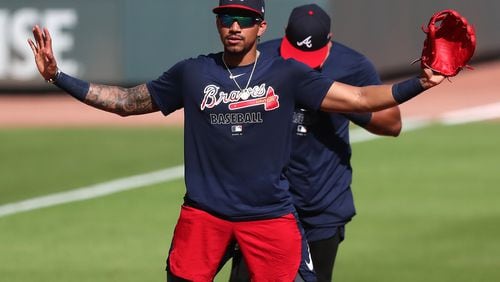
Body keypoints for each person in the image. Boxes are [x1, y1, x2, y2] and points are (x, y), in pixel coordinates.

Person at [28, 0, 445, 280]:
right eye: (226, 18)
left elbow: (358, 97)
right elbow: (123, 101)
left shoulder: (287, 74)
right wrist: (58, 77)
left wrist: (420, 84)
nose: (233, 27)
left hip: (269, 216)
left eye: (244, 20)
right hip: (204, 215)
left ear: (261, 26)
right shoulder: (192, 73)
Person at [228, 4, 402, 282]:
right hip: (265, 203)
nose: (301, 66)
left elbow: (392, 124)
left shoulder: (353, 67)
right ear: (284, 35)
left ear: (330, 40)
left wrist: (333, 98)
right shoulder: (262, 60)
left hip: (321, 204)